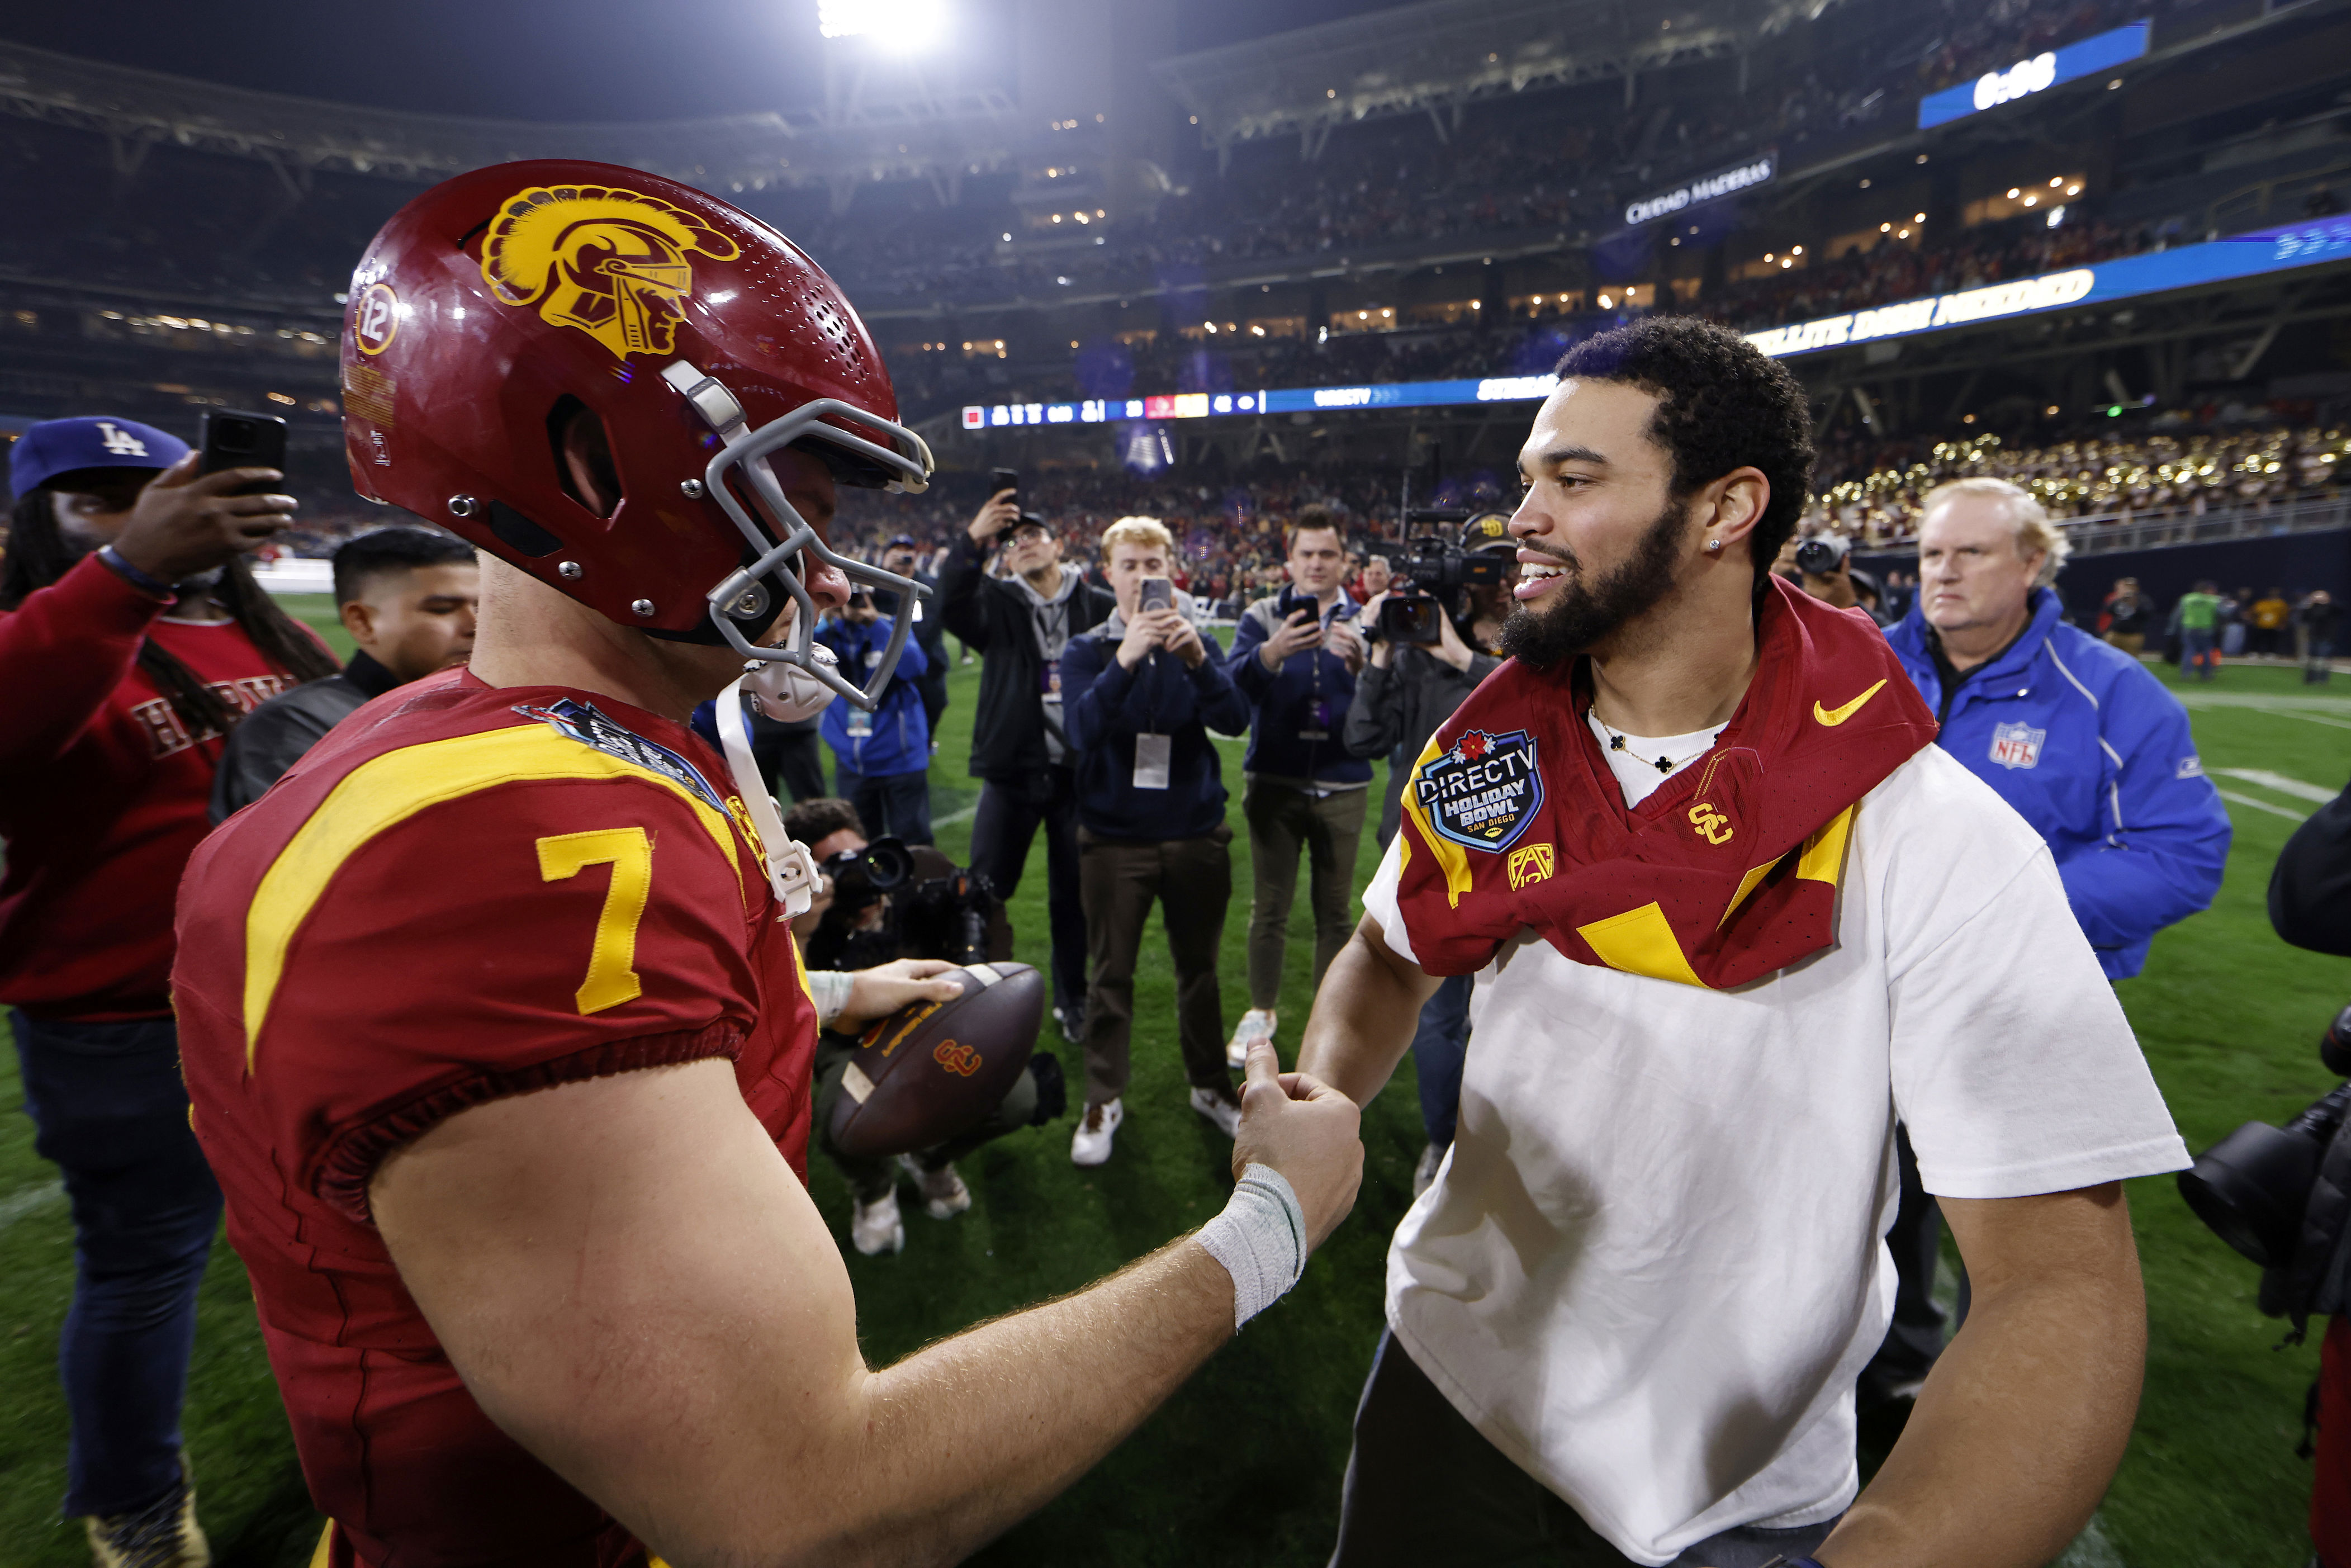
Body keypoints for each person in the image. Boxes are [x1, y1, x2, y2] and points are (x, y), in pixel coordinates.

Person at [171, 162, 1360, 1568]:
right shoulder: (514, 846)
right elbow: (800, 1502)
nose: (819, 547)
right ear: (593, 463)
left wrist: (816, 1000)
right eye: (789, 487)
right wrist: (1270, 1223)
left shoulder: (502, 744)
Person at [1300, 317, 2190, 1567]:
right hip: (1442, 1390)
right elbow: (1390, 953)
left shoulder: (1932, 834)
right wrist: (1323, 1104)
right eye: (1525, 481)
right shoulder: (1489, 760)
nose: (1524, 517)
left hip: (1730, 1498)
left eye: (1574, 477)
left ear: (1726, 510)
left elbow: (2063, 1288)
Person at [1, 414, 332, 1564]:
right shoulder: (40, 634)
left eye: (163, 493)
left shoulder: (270, 632)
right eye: (97, 500)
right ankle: (132, 1492)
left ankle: (380, 1428)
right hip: (125, 1025)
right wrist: (131, 566)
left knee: (353, 1231)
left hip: (297, 1006)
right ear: (37, 522)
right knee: (145, 1269)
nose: (140, 511)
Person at [785, 796, 1059, 1256]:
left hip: (933, 1015)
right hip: (847, 1032)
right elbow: (793, 1005)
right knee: (840, 1120)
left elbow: (994, 947)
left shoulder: (919, 868)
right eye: (838, 868)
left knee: (1017, 1100)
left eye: (865, 857)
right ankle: (873, 1189)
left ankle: (929, 1159)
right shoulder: (799, 914)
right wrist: (803, 933)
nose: (863, 878)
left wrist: (968, 928)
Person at [1060, 516, 1251, 1166]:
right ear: (1108, 574)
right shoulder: (1088, 649)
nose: (1143, 578)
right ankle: (1104, 1096)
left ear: (1172, 572)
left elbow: (1233, 720)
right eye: (1130, 566)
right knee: (1109, 974)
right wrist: (1126, 658)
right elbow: (1080, 733)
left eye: (1153, 565)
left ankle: (1209, 1085)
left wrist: (1197, 661)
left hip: (1194, 833)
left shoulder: (1195, 642)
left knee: (1199, 972)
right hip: (1114, 839)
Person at [1344, 557, 1509, 1194]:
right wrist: (1383, 657)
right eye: (1481, 569)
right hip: (1428, 860)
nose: (1495, 581)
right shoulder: (1414, 648)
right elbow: (1362, 739)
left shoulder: (1541, 637)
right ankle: (1443, 1140)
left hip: (1523, 857)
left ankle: (1500, 1138)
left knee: (1511, 1012)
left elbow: (1552, 695)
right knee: (1439, 1016)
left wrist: (1459, 658)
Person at [939, 495, 1114, 1041]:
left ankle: (1073, 1000)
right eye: (1013, 541)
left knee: (1073, 897)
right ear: (1006, 561)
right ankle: (976, 995)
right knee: (986, 891)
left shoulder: (1100, 606)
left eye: (1036, 534)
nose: (1026, 542)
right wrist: (974, 538)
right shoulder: (994, 605)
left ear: (1060, 545)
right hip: (1013, 772)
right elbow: (948, 600)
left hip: (1078, 776)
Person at [1223, 508, 1372, 1067]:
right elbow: (1232, 691)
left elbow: (1385, 708)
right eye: (1306, 554)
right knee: (1271, 909)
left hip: (1344, 783)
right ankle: (1262, 1008)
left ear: (1343, 561)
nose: (1316, 563)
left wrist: (1365, 671)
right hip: (1276, 783)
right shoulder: (1262, 615)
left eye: (1326, 554)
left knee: (1335, 912)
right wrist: (1271, 652)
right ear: (1289, 560)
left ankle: (1324, 1015)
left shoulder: (1366, 617)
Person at [211, 526, 478, 819]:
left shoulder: (493, 705)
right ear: (362, 621)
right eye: (442, 609)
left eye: (485, 607)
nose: (475, 625)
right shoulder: (297, 725)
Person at [817, 589, 932, 844]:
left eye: (858, 598)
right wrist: (823, 617)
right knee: (861, 844)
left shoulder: (891, 627)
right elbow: (795, 654)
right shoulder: (825, 638)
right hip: (851, 761)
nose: (853, 606)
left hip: (900, 758)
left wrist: (873, 622)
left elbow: (914, 666)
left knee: (913, 842)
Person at [874, 531, 948, 745]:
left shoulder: (928, 584)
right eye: (897, 551)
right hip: (893, 662)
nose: (903, 556)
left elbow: (930, 626)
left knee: (936, 703)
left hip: (929, 660)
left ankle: (927, 739)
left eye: (907, 551)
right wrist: (885, 571)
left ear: (915, 556)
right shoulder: (881, 584)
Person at [2177, 579, 2222, 679]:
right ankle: (2206, 674)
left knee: (2189, 651)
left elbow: (2179, 613)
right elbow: (2223, 613)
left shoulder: (2187, 599)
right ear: (2206, 590)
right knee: (2207, 652)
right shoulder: (2212, 600)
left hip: (2189, 628)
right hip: (2206, 629)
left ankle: (2186, 674)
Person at [2104, 576, 2152, 656]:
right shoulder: (2119, 599)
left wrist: (2136, 604)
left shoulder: (2142, 599)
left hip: (2133, 636)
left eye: (2132, 587)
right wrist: (2119, 599)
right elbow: (2108, 610)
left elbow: (2148, 613)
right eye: (2128, 586)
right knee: (2108, 656)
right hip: (2116, 634)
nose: (2130, 589)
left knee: (2130, 659)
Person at [2301, 588, 2338, 683]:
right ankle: (2310, 679)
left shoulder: (2331, 609)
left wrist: (2325, 602)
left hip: (2326, 637)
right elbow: (2304, 618)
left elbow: (2335, 611)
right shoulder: (2312, 609)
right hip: (2314, 636)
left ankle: (2322, 680)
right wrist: (2310, 603)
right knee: (2312, 660)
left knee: (2323, 660)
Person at [2252, 586, 2292, 657]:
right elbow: (2255, 613)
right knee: (2259, 640)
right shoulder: (2262, 603)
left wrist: (2282, 624)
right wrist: (2255, 622)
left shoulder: (2281, 604)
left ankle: (2271, 653)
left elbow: (2284, 615)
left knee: (2272, 640)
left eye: (2275, 592)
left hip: (2274, 625)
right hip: (2261, 625)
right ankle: (2257, 652)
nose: (2274, 593)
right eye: (2272, 592)